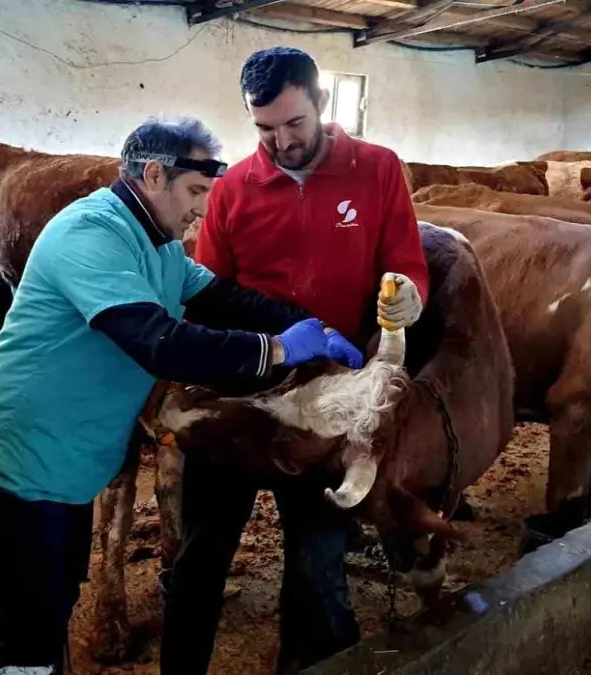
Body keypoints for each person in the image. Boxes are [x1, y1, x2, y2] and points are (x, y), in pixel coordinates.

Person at [0, 117, 363, 675]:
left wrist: (310, 327)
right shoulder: (90, 235)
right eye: (195, 192)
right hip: (24, 460)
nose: (201, 210)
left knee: (55, 605)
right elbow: (159, 342)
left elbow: (225, 297)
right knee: (28, 631)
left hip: (71, 465)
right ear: (154, 175)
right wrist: (276, 350)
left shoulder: (161, 246)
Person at [161, 47, 430, 674]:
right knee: (201, 553)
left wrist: (409, 295)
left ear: (321, 104)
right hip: (245, 389)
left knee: (316, 561)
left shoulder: (379, 170)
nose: (280, 141)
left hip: (333, 397)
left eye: (293, 125)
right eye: (264, 129)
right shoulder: (231, 189)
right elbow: (210, 290)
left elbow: (405, 264)